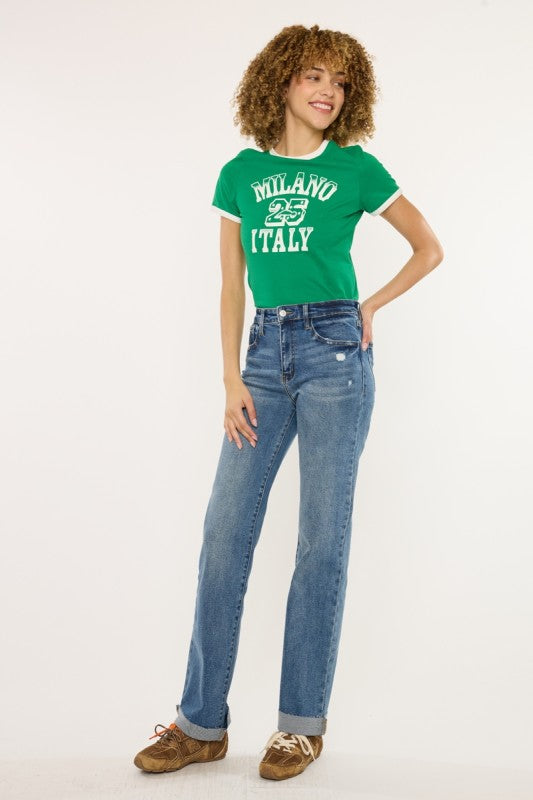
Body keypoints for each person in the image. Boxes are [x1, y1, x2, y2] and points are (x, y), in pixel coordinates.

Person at [133, 23, 444, 782]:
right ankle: (199, 724)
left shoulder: (356, 168)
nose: (327, 91)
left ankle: (300, 727)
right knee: (223, 535)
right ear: (280, 81)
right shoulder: (240, 173)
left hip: (336, 355)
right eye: (313, 76)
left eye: (339, 82)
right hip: (262, 362)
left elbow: (428, 248)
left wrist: (369, 306)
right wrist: (230, 379)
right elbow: (230, 283)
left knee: (320, 544)